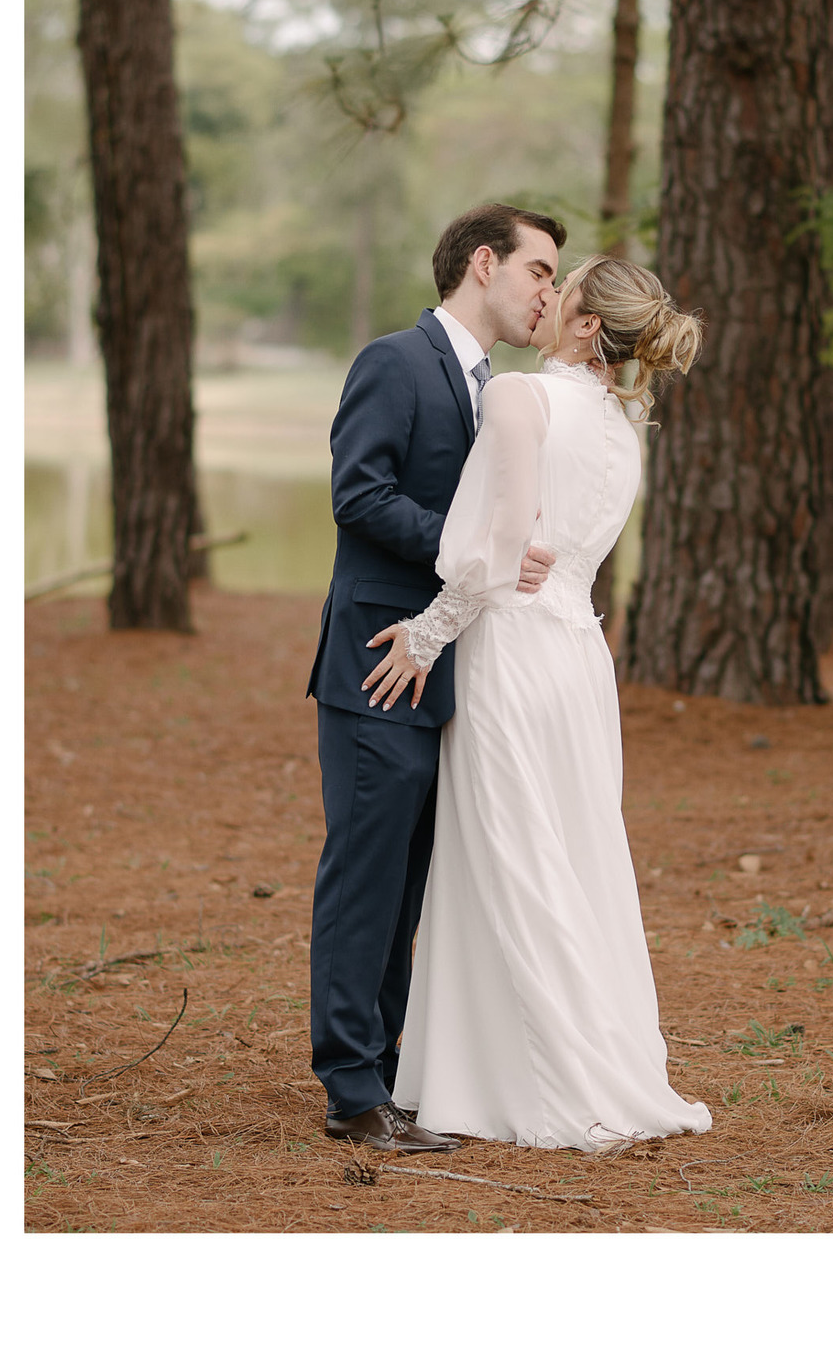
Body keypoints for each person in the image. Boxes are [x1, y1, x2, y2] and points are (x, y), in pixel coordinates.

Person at [363, 254, 715, 1150]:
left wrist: (424, 635)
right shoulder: (624, 432)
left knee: (512, 853)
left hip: (513, 654)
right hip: (579, 659)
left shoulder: (521, 399)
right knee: (574, 851)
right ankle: (567, 1059)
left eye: (564, 289)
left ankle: (543, 1077)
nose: (546, 298)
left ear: (589, 326)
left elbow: (499, 545)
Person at [306, 203, 565, 1154]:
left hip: (445, 664)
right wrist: (477, 555)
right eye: (538, 271)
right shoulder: (396, 360)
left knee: (410, 882)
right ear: (483, 263)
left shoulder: (488, 381)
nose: (547, 292)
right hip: (380, 659)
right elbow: (358, 494)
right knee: (367, 875)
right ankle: (348, 1086)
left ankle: (379, 1068)